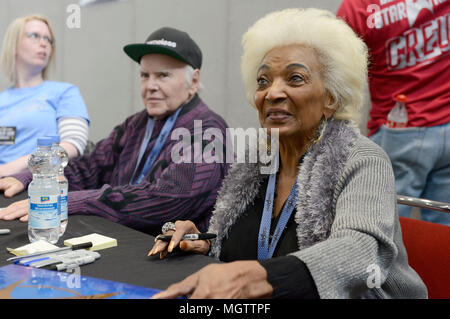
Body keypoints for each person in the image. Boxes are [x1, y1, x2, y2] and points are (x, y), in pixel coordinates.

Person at [148, 8, 427, 299]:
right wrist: (206, 243)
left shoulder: (363, 159)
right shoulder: (257, 164)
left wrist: (256, 276)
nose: (272, 93)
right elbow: (261, 244)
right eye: (263, 81)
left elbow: (361, 251)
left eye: (294, 78)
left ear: (331, 97)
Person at [0, 27, 229, 236]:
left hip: (175, 258)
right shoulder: (136, 124)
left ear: (194, 81)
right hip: (120, 240)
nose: (150, 86)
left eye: (163, 75)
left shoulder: (208, 131)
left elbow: (168, 200)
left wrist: (73, 201)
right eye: (144, 75)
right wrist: (34, 177)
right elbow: (91, 168)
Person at [337, 0, 450, 225]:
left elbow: (335, 72)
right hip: (443, 121)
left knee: (384, 229)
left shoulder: (359, 7)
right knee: (443, 230)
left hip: (399, 134)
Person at [0, 15, 90, 177]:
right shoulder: (2, 100)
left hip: (40, 184)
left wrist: (10, 170)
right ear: (13, 44)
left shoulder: (65, 92)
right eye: (34, 36)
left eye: (48, 40)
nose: (44, 44)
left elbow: (73, 145)